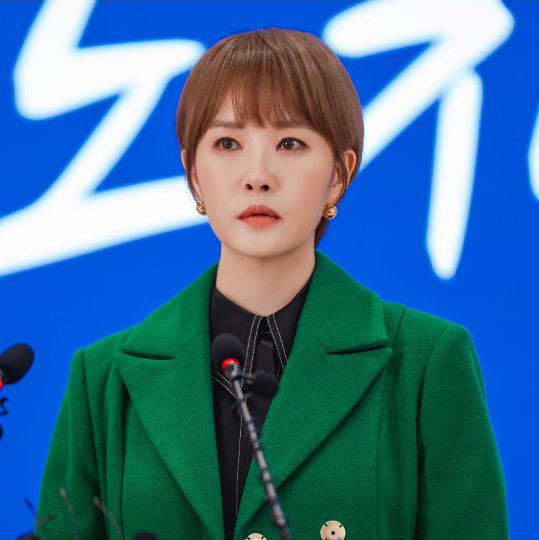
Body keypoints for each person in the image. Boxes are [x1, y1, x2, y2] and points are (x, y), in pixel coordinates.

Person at [35, 28, 509, 540]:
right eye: (228, 143)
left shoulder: (426, 362)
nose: (257, 175)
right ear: (193, 173)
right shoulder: (104, 378)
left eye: (290, 143)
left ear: (339, 174)